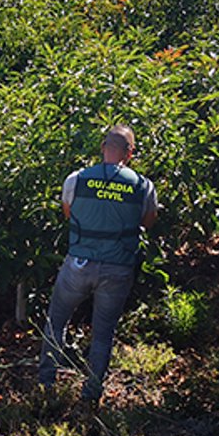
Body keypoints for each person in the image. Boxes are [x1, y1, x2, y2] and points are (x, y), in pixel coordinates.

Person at [37, 125, 158, 403]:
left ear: (103, 147)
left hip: (78, 265)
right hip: (117, 268)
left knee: (56, 320)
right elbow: (148, 221)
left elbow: (68, 213)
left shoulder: (76, 179)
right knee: (103, 332)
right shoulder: (142, 186)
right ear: (130, 153)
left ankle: (46, 384)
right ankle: (91, 394)